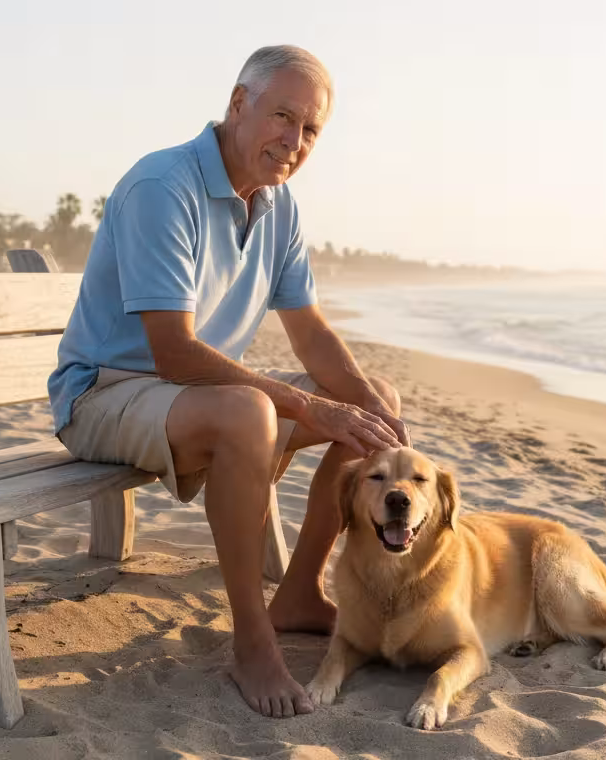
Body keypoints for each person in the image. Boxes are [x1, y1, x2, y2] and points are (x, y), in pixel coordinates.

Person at [48, 45, 407, 718]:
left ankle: (298, 595)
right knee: (252, 412)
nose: (293, 140)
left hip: (194, 398)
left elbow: (312, 335)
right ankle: (251, 642)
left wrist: (369, 412)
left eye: (310, 129)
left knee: (374, 397)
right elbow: (175, 352)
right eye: (282, 116)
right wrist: (310, 407)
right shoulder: (165, 185)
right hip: (104, 393)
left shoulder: (279, 206)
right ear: (238, 104)